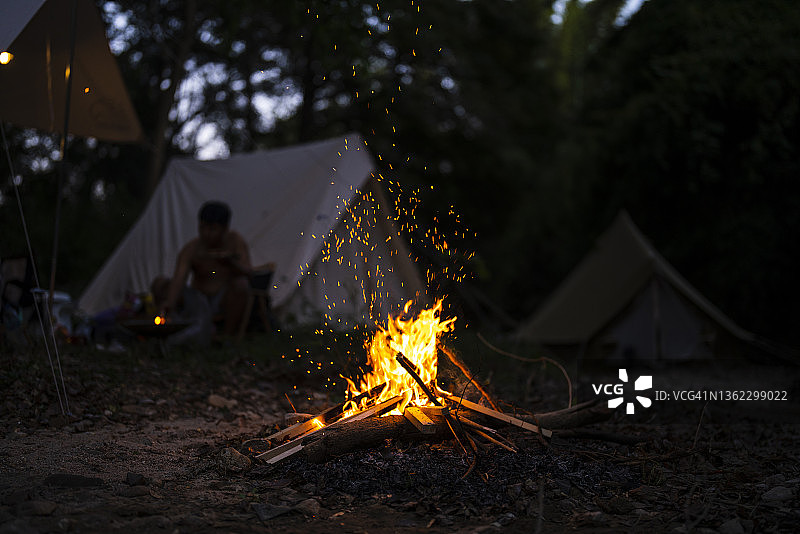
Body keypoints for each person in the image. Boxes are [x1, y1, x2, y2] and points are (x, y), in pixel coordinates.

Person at [161, 201, 252, 343]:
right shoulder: (192, 249)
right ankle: (169, 330)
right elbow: (179, 278)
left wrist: (230, 263)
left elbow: (248, 272)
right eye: (202, 228)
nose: (206, 234)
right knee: (160, 284)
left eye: (212, 229)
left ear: (225, 229)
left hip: (223, 299)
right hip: (198, 300)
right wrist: (169, 302)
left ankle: (226, 337)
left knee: (241, 285)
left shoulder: (235, 241)